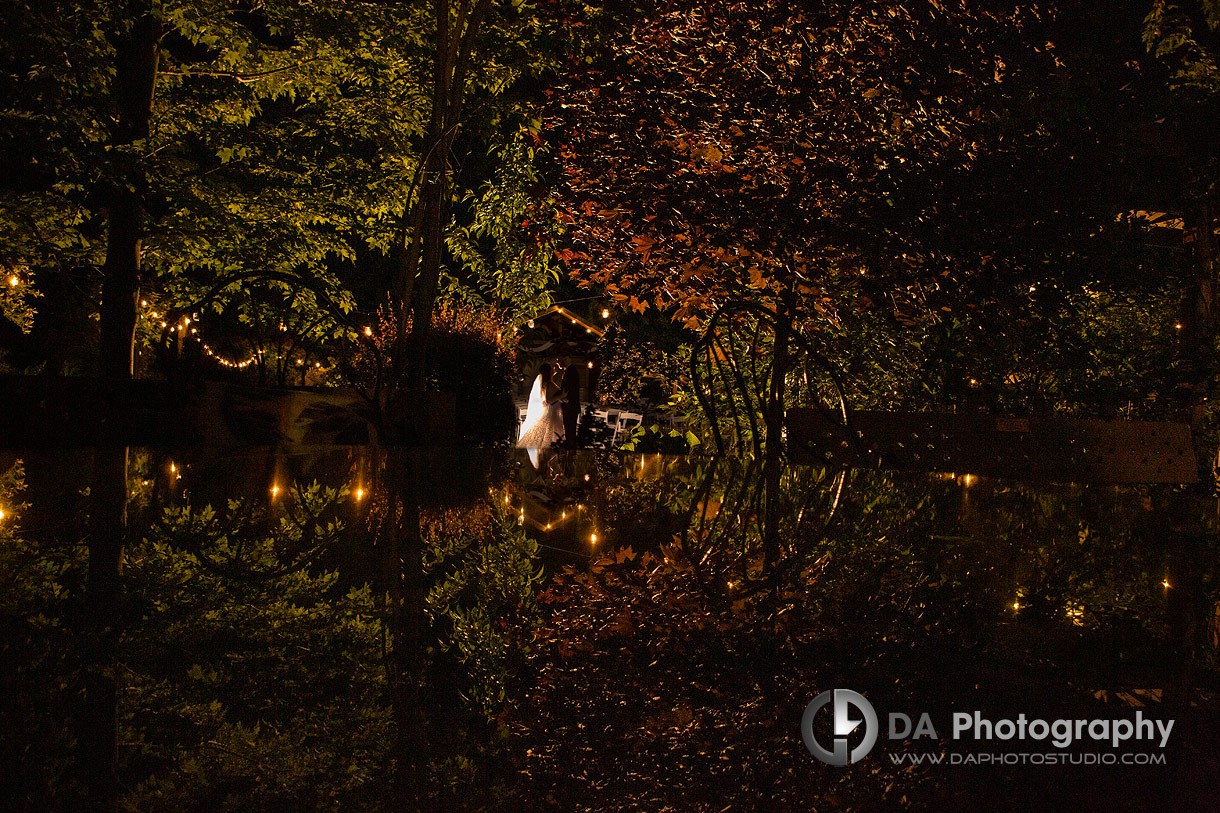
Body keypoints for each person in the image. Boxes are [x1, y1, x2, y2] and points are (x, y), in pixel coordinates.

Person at [517, 363, 564, 449]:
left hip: (555, 411)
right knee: (551, 439)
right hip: (552, 411)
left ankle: (546, 460)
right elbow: (548, 400)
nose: (554, 368)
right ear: (548, 371)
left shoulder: (549, 383)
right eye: (551, 367)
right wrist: (562, 396)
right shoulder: (549, 384)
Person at [559, 356, 582, 447]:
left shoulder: (571, 371)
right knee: (569, 429)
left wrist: (564, 398)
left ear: (566, 359)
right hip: (570, 405)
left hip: (570, 405)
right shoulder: (569, 371)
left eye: (559, 360)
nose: (558, 362)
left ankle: (570, 449)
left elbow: (570, 388)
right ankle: (570, 448)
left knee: (570, 429)